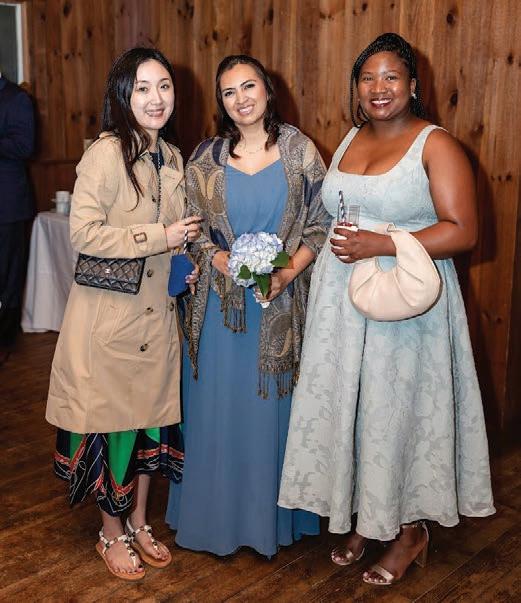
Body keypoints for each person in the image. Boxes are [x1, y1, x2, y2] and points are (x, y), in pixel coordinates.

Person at [278, 33, 495, 585]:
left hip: (404, 305)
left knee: (396, 414)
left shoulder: (436, 145)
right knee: (356, 409)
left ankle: (410, 531)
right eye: (368, 78)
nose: (379, 88)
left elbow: (463, 230)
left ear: (413, 85)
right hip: (341, 303)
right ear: (356, 87)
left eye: (391, 77)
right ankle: (367, 518)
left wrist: (383, 243)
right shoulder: (351, 138)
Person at [45, 47, 201, 581]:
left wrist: (182, 266)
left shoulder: (173, 157)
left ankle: (139, 522)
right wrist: (161, 237)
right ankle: (110, 532)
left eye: (164, 86)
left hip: (157, 319)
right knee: (114, 426)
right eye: (142, 88)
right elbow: (84, 234)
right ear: (123, 95)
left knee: (150, 425)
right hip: (110, 321)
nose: (156, 98)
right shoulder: (106, 153)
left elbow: (176, 238)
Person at [165, 55, 331, 556]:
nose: (241, 99)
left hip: (279, 308)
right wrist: (218, 258)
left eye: (249, 86)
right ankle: (211, 520)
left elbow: (321, 223)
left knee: (268, 417)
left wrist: (287, 273)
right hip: (221, 312)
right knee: (218, 414)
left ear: (267, 90)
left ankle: (270, 523)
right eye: (229, 92)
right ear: (221, 102)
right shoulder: (206, 157)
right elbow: (191, 228)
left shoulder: (300, 150)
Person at [0, 72, 35, 366]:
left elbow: (25, 146)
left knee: (7, 275)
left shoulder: (16, 98)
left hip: (7, 205)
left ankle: (5, 339)